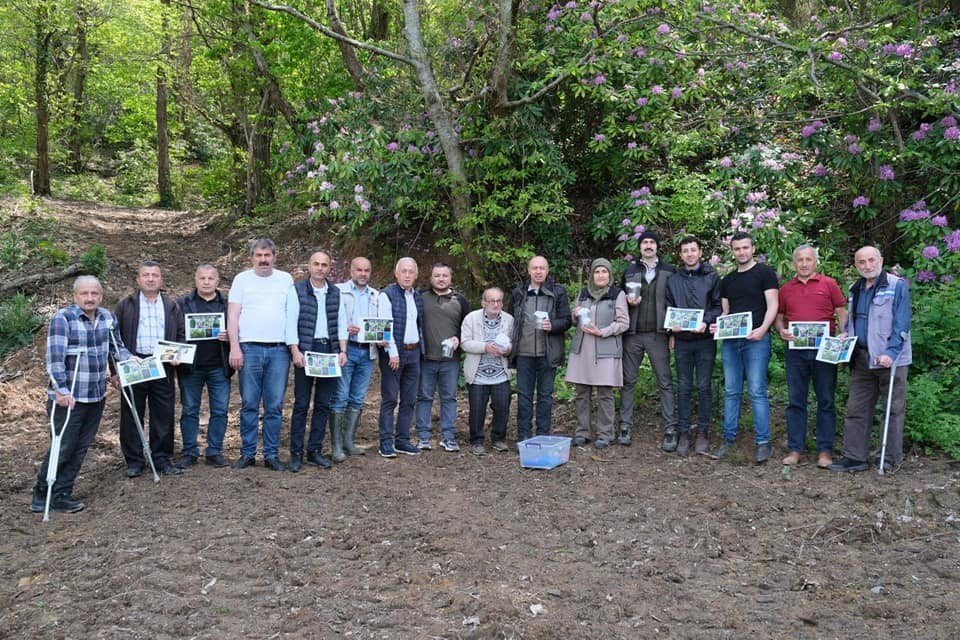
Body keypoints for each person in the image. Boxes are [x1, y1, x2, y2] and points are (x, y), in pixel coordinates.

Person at [30, 276, 132, 514]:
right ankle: (42, 494)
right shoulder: (63, 319)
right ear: (75, 296)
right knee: (63, 445)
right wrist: (61, 391)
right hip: (69, 398)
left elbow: (116, 349)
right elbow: (54, 360)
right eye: (84, 294)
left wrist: (126, 364)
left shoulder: (107, 318)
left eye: (94, 294)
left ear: (101, 295)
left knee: (81, 446)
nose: (90, 298)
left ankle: (63, 492)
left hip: (96, 394)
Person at [831, 246, 912, 473]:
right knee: (856, 408)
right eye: (862, 262)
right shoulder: (855, 288)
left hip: (890, 358)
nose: (867, 265)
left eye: (871, 260)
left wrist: (891, 352)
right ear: (856, 265)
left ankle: (888, 458)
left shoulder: (896, 286)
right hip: (862, 357)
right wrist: (846, 333)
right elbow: (856, 319)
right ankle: (854, 457)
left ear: (881, 260)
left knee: (892, 410)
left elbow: (902, 323)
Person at [775, 245, 847, 469]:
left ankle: (825, 451)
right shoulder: (786, 289)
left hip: (825, 349)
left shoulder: (829, 284)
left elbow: (841, 310)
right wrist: (781, 330)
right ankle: (796, 449)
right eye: (800, 260)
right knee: (796, 401)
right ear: (793, 263)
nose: (804, 264)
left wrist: (844, 331)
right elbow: (779, 316)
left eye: (808, 259)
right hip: (796, 352)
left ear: (816, 262)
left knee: (825, 400)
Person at [711, 232, 779, 463]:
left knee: (757, 391)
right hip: (732, 342)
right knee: (731, 391)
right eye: (737, 248)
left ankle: (763, 443)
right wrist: (718, 327)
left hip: (756, 341)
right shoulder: (727, 280)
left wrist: (762, 330)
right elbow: (726, 312)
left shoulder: (765, 273)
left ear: (753, 248)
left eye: (745, 247)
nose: (741, 252)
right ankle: (728, 440)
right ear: (732, 251)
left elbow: (773, 305)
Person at [228, 238, 294, 471]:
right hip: (250, 348)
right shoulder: (241, 280)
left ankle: (271, 454)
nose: (263, 260)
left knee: (275, 405)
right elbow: (233, 315)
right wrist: (234, 347)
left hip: (279, 350)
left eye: (267, 256)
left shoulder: (286, 279)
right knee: (249, 403)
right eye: (259, 255)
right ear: (252, 257)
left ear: (274, 257)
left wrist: (293, 347)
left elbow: (292, 314)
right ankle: (247, 453)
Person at [115, 260, 185, 477]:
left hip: (162, 364)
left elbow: (181, 333)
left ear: (161, 279)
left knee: (163, 413)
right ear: (138, 280)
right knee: (132, 413)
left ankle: (162, 458)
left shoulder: (171, 305)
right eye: (146, 275)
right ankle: (134, 460)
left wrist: (177, 355)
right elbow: (114, 339)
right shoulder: (125, 305)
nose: (151, 278)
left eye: (155, 275)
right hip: (134, 363)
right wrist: (115, 370)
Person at [284, 250, 347, 472]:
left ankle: (315, 451)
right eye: (316, 264)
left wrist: (342, 350)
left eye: (324, 265)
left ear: (330, 268)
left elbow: (341, 322)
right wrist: (294, 350)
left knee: (323, 404)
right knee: (301, 404)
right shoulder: (298, 290)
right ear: (309, 267)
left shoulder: (335, 293)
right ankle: (295, 453)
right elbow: (290, 322)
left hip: (328, 352)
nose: (320, 268)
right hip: (306, 351)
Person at [619, 230, 678, 449]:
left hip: (658, 334)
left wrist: (673, 332)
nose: (649, 245)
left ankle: (670, 428)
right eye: (645, 242)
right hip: (633, 334)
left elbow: (676, 301)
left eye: (652, 242)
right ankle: (625, 426)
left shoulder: (670, 270)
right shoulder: (630, 270)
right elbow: (619, 299)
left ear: (658, 246)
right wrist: (626, 301)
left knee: (665, 381)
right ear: (640, 246)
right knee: (628, 381)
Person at [665, 236, 722, 455]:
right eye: (685, 251)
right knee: (684, 386)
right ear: (680, 255)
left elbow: (718, 306)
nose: (689, 254)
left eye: (693, 250)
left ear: (700, 253)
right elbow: (668, 307)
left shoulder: (712, 277)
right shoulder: (673, 280)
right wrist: (672, 328)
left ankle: (703, 433)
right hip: (682, 342)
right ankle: (684, 432)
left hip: (705, 341)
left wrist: (707, 321)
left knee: (704, 386)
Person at [566, 259, 629, 448]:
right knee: (581, 392)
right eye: (597, 272)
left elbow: (624, 322)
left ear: (610, 275)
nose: (600, 275)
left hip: (605, 348)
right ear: (591, 275)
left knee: (605, 393)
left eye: (604, 272)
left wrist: (603, 331)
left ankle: (605, 434)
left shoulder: (617, 294)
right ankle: (582, 432)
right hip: (583, 348)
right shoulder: (584, 293)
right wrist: (574, 313)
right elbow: (575, 320)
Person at [508, 255, 572, 441]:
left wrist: (553, 325)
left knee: (545, 396)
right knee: (524, 396)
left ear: (547, 271)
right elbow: (511, 320)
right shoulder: (518, 293)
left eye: (541, 268)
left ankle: (543, 435)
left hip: (547, 353)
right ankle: (524, 436)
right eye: (534, 268)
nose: (538, 271)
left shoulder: (558, 292)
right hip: (523, 353)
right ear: (528, 271)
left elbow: (567, 320)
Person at [176, 264, 233, 469]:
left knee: (220, 410)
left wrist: (230, 337)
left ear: (218, 281)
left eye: (211, 278)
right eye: (202, 278)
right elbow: (175, 332)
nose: (206, 282)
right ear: (196, 280)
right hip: (191, 367)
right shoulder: (182, 303)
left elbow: (240, 330)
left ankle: (214, 451)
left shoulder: (227, 304)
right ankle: (190, 451)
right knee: (190, 409)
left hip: (219, 365)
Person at [415, 263, 470, 451]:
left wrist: (459, 339)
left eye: (444, 275)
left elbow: (468, 329)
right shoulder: (420, 297)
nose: (440, 279)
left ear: (450, 278)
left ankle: (448, 437)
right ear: (431, 278)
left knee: (449, 398)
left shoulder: (460, 301)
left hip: (450, 360)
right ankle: (423, 436)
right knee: (424, 397)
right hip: (425, 358)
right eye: (437, 275)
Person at [330, 256, 379, 458]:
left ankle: (349, 441)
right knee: (341, 396)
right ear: (351, 271)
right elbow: (330, 319)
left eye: (366, 270)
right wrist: (344, 329)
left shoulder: (376, 295)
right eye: (359, 270)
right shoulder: (339, 291)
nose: (363, 274)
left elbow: (380, 323)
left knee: (357, 398)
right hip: (346, 349)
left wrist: (381, 336)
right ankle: (336, 446)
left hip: (367, 351)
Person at [376, 257, 424, 458]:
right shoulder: (386, 295)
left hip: (414, 352)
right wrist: (392, 352)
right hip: (394, 354)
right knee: (389, 399)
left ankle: (402, 440)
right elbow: (384, 326)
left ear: (416, 275)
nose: (407, 275)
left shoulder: (417, 296)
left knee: (409, 399)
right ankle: (385, 442)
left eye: (410, 271)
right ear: (396, 274)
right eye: (403, 271)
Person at [461, 287, 514, 455]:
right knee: (477, 409)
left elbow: (514, 342)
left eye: (499, 301)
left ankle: (498, 438)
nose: (496, 304)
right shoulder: (471, 318)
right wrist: (485, 347)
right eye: (492, 301)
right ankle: (477, 440)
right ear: (483, 303)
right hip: (478, 374)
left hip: (500, 373)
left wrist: (508, 349)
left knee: (502, 407)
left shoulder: (509, 320)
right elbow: (465, 343)